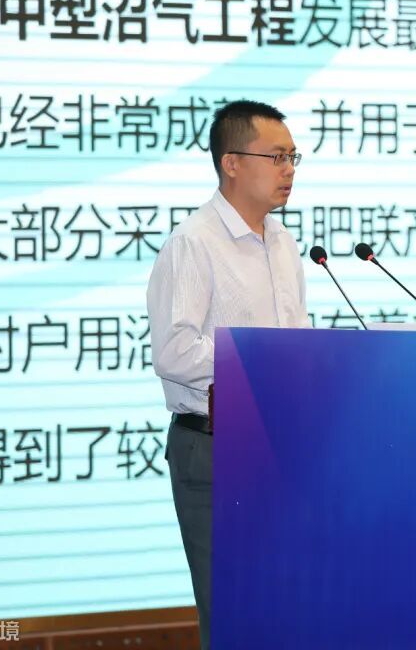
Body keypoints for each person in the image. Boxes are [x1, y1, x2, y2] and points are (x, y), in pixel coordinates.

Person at [146, 99, 309, 649]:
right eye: (276, 156)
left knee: (286, 608)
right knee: (236, 615)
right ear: (231, 163)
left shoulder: (283, 243)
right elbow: (173, 352)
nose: (288, 170)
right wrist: (255, 358)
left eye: (293, 157)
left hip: (282, 443)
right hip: (215, 449)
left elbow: (295, 344)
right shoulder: (194, 243)